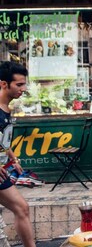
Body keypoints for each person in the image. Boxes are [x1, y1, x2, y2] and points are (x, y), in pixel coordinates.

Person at [0, 61, 36, 247]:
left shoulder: (6, 108)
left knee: (21, 208)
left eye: (24, 84)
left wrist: (12, 157)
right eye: (19, 85)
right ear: (3, 84)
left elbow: (1, 140)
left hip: (3, 172)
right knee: (21, 208)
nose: (23, 88)